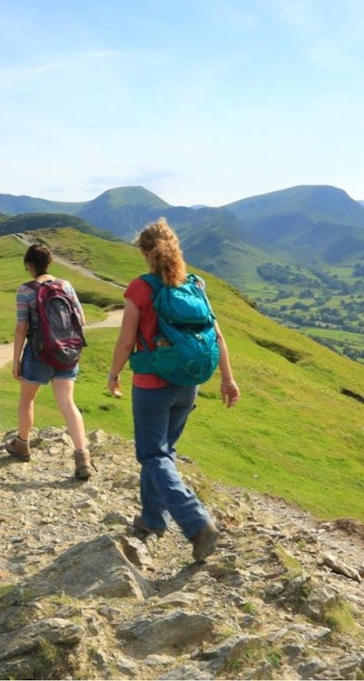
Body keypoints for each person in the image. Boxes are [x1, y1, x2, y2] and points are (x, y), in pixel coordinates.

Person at [105, 219, 239, 562]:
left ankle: (196, 522)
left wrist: (113, 373)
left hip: (152, 385)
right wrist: (227, 379)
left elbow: (125, 340)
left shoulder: (141, 288)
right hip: (188, 386)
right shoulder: (195, 285)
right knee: (163, 452)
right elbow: (218, 336)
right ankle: (152, 520)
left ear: (146, 253)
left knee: (152, 455)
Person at [7, 243, 93, 480]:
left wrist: (16, 361)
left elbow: (21, 328)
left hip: (38, 353)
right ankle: (82, 457)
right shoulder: (65, 285)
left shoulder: (25, 290)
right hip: (67, 353)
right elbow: (81, 320)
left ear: (29, 265)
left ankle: (22, 445)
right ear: (50, 262)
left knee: (27, 398)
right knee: (68, 403)